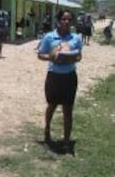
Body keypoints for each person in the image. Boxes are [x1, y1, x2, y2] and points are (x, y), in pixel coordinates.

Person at [38, 9, 82, 152]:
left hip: (69, 77)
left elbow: (79, 56)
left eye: (69, 19)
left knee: (68, 109)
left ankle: (67, 140)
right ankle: (47, 130)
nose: (67, 22)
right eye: (64, 19)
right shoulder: (49, 37)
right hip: (54, 77)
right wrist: (52, 57)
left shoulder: (76, 38)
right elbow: (40, 54)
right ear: (58, 20)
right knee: (52, 105)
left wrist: (73, 57)